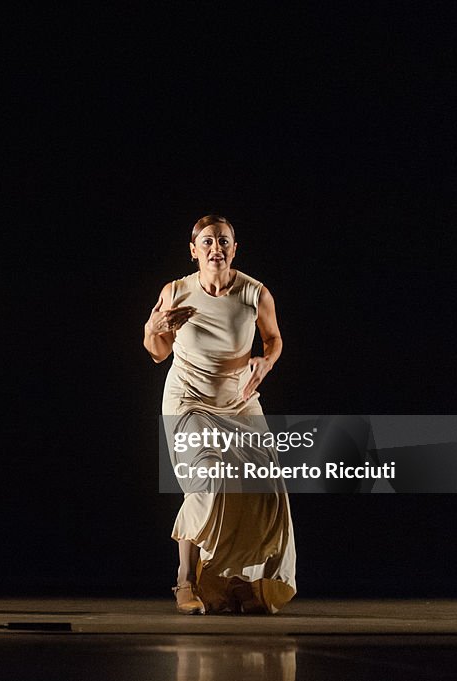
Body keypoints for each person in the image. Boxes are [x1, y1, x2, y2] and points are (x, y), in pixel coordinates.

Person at [144, 215, 296, 615]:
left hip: (239, 400)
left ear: (234, 249)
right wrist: (152, 326)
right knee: (208, 481)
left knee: (265, 491)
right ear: (194, 251)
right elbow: (158, 351)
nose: (216, 248)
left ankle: (242, 585)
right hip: (188, 400)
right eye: (207, 242)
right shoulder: (176, 292)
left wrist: (266, 362)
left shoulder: (255, 294)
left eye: (224, 241)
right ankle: (185, 580)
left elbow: (274, 339)